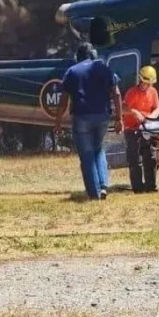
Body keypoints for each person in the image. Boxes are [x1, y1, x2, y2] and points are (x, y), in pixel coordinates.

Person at [54, 42, 123, 200]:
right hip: (102, 116)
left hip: (81, 116)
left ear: (78, 56)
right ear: (93, 54)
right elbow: (117, 94)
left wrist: (57, 121)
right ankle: (103, 186)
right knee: (99, 149)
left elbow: (64, 100)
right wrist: (119, 118)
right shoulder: (104, 68)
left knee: (87, 155)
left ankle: (94, 194)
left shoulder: (72, 71)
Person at [122, 65, 159, 193]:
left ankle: (151, 186)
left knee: (150, 157)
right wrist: (134, 112)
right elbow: (123, 108)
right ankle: (138, 188)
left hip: (147, 128)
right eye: (146, 83)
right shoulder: (131, 92)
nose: (148, 86)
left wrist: (150, 117)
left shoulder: (153, 92)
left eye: (150, 83)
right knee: (135, 159)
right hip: (131, 129)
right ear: (140, 80)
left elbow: (157, 108)